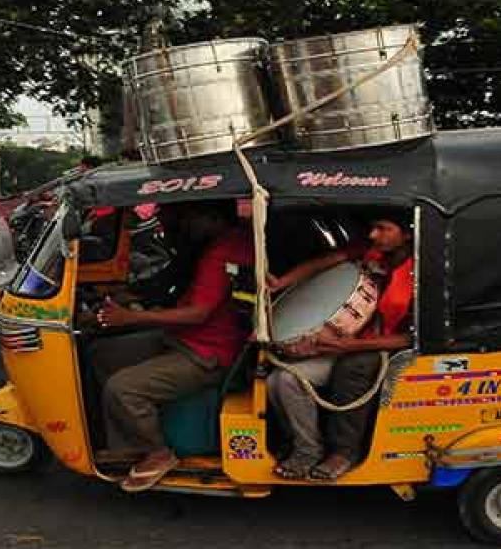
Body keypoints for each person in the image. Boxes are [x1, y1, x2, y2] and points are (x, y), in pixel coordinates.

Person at [91, 200, 253, 493]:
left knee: (123, 388)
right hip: (183, 337)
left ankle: (157, 452)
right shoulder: (219, 243)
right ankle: (130, 440)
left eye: (187, 218)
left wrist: (132, 317)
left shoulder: (222, 252)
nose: (180, 224)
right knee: (102, 354)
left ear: (211, 217)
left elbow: (198, 313)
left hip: (206, 353)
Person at [266, 211, 414, 481]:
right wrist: (282, 282)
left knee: (354, 369)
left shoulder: (422, 272)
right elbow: (325, 262)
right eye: (372, 228)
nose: (373, 235)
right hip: (340, 341)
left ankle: (344, 452)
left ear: (406, 234)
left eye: (383, 229)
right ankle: (306, 449)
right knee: (281, 380)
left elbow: (412, 337)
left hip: (380, 348)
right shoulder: (369, 251)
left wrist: (352, 346)